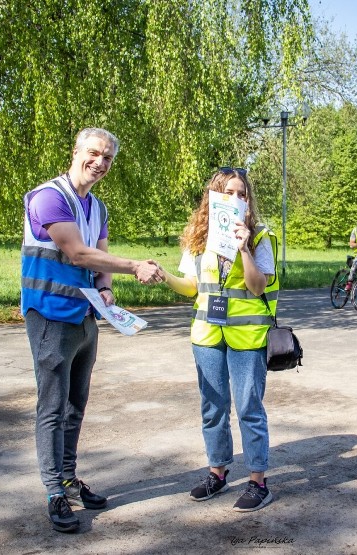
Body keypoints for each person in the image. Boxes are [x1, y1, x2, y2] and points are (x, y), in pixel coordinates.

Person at [21, 127, 161, 533]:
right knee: (52, 407)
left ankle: (67, 477)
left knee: (75, 405)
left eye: (108, 158)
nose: (100, 163)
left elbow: (96, 260)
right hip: (49, 315)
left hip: (85, 317)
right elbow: (77, 252)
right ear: (77, 151)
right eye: (95, 153)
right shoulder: (49, 196)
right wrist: (134, 265)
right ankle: (54, 492)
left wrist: (106, 287)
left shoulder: (97, 207)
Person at [156, 167, 278, 512]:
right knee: (213, 408)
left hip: (247, 336)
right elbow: (191, 286)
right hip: (207, 334)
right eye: (228, 193)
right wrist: (164, 275)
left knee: (249, 408)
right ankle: (218, 472)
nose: (236, 200)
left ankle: (258, 482)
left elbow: (258, 286)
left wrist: (243, 249)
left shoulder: (260, 236)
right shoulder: (198, 238)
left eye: (242, 194)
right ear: (214, 198)